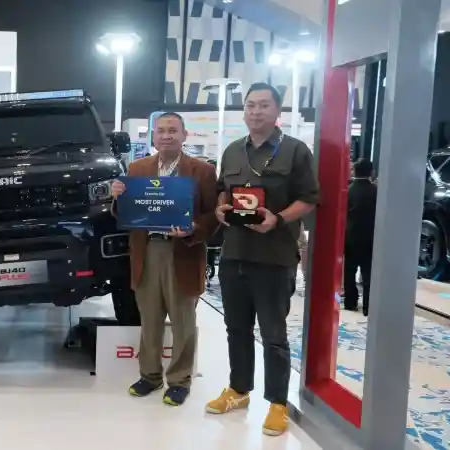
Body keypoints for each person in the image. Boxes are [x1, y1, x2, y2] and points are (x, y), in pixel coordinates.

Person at [206, 83, 319, 436]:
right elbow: (223, 191)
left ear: (277, 111)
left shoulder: (295, 151)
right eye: (250, 105)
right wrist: (221, 209)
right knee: (236, 328)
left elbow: (309, 199)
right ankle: (239, 390)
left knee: (273, 334)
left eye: (264, 105)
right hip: (234, 254)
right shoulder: (232, 151)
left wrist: (278, 219)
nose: (256, 111)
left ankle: (278, 403)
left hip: (274, 257)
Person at [111, 112, 218, 406]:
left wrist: (195, 228)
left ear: (184, 135)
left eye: (173, 130)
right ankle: (149, 376)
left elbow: (213, 216)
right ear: (153, 136)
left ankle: (180, 380)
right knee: (149, 319)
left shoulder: (202, 171)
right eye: (161, 131)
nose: (166, 135)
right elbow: (124, 215)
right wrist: (118, 198)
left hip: (183, 251)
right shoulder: (137, 168)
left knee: (183, 321)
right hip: (147, 251)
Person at [344, 158, 377, 316]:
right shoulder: (376, 191)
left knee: (349, 271)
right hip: (370, 237)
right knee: (368, 273)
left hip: (350, 236)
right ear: (371, 172)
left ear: (354, 171)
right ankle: (368, 306)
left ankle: (350, 302)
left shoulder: (348, 190)